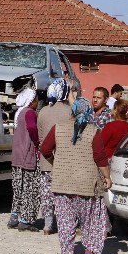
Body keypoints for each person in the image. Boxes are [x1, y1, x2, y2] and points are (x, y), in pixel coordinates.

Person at [40, 96, 111, 254]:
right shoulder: (93, 131)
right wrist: (107, 177)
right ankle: (91, 253)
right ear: (88, 112)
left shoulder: (58, 128)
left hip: (62, 183)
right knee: (92, 219)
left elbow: (45, 149)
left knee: (65, 221)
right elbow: (100, 158)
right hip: (88, 184)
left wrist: (54, 162)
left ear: (72, 111)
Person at [36, 78, 71, 235]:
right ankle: (66, 223)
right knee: (64, 194)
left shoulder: (42, 112)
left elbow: (40, 137)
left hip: (46, 160)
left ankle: (48, 225)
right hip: (65, 160)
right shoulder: (70, 112)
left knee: (46, 193)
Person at [8, 88, 41, 232]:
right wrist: (38, 141)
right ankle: (25, 220)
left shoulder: (19, 112)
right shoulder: (29, 113)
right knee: (30, 189)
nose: (37, 102)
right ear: (31, 101)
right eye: (36, 99)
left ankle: (14, 217)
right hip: (27, 156)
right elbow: (33, 128)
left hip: (17, 156)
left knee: (18, 189)